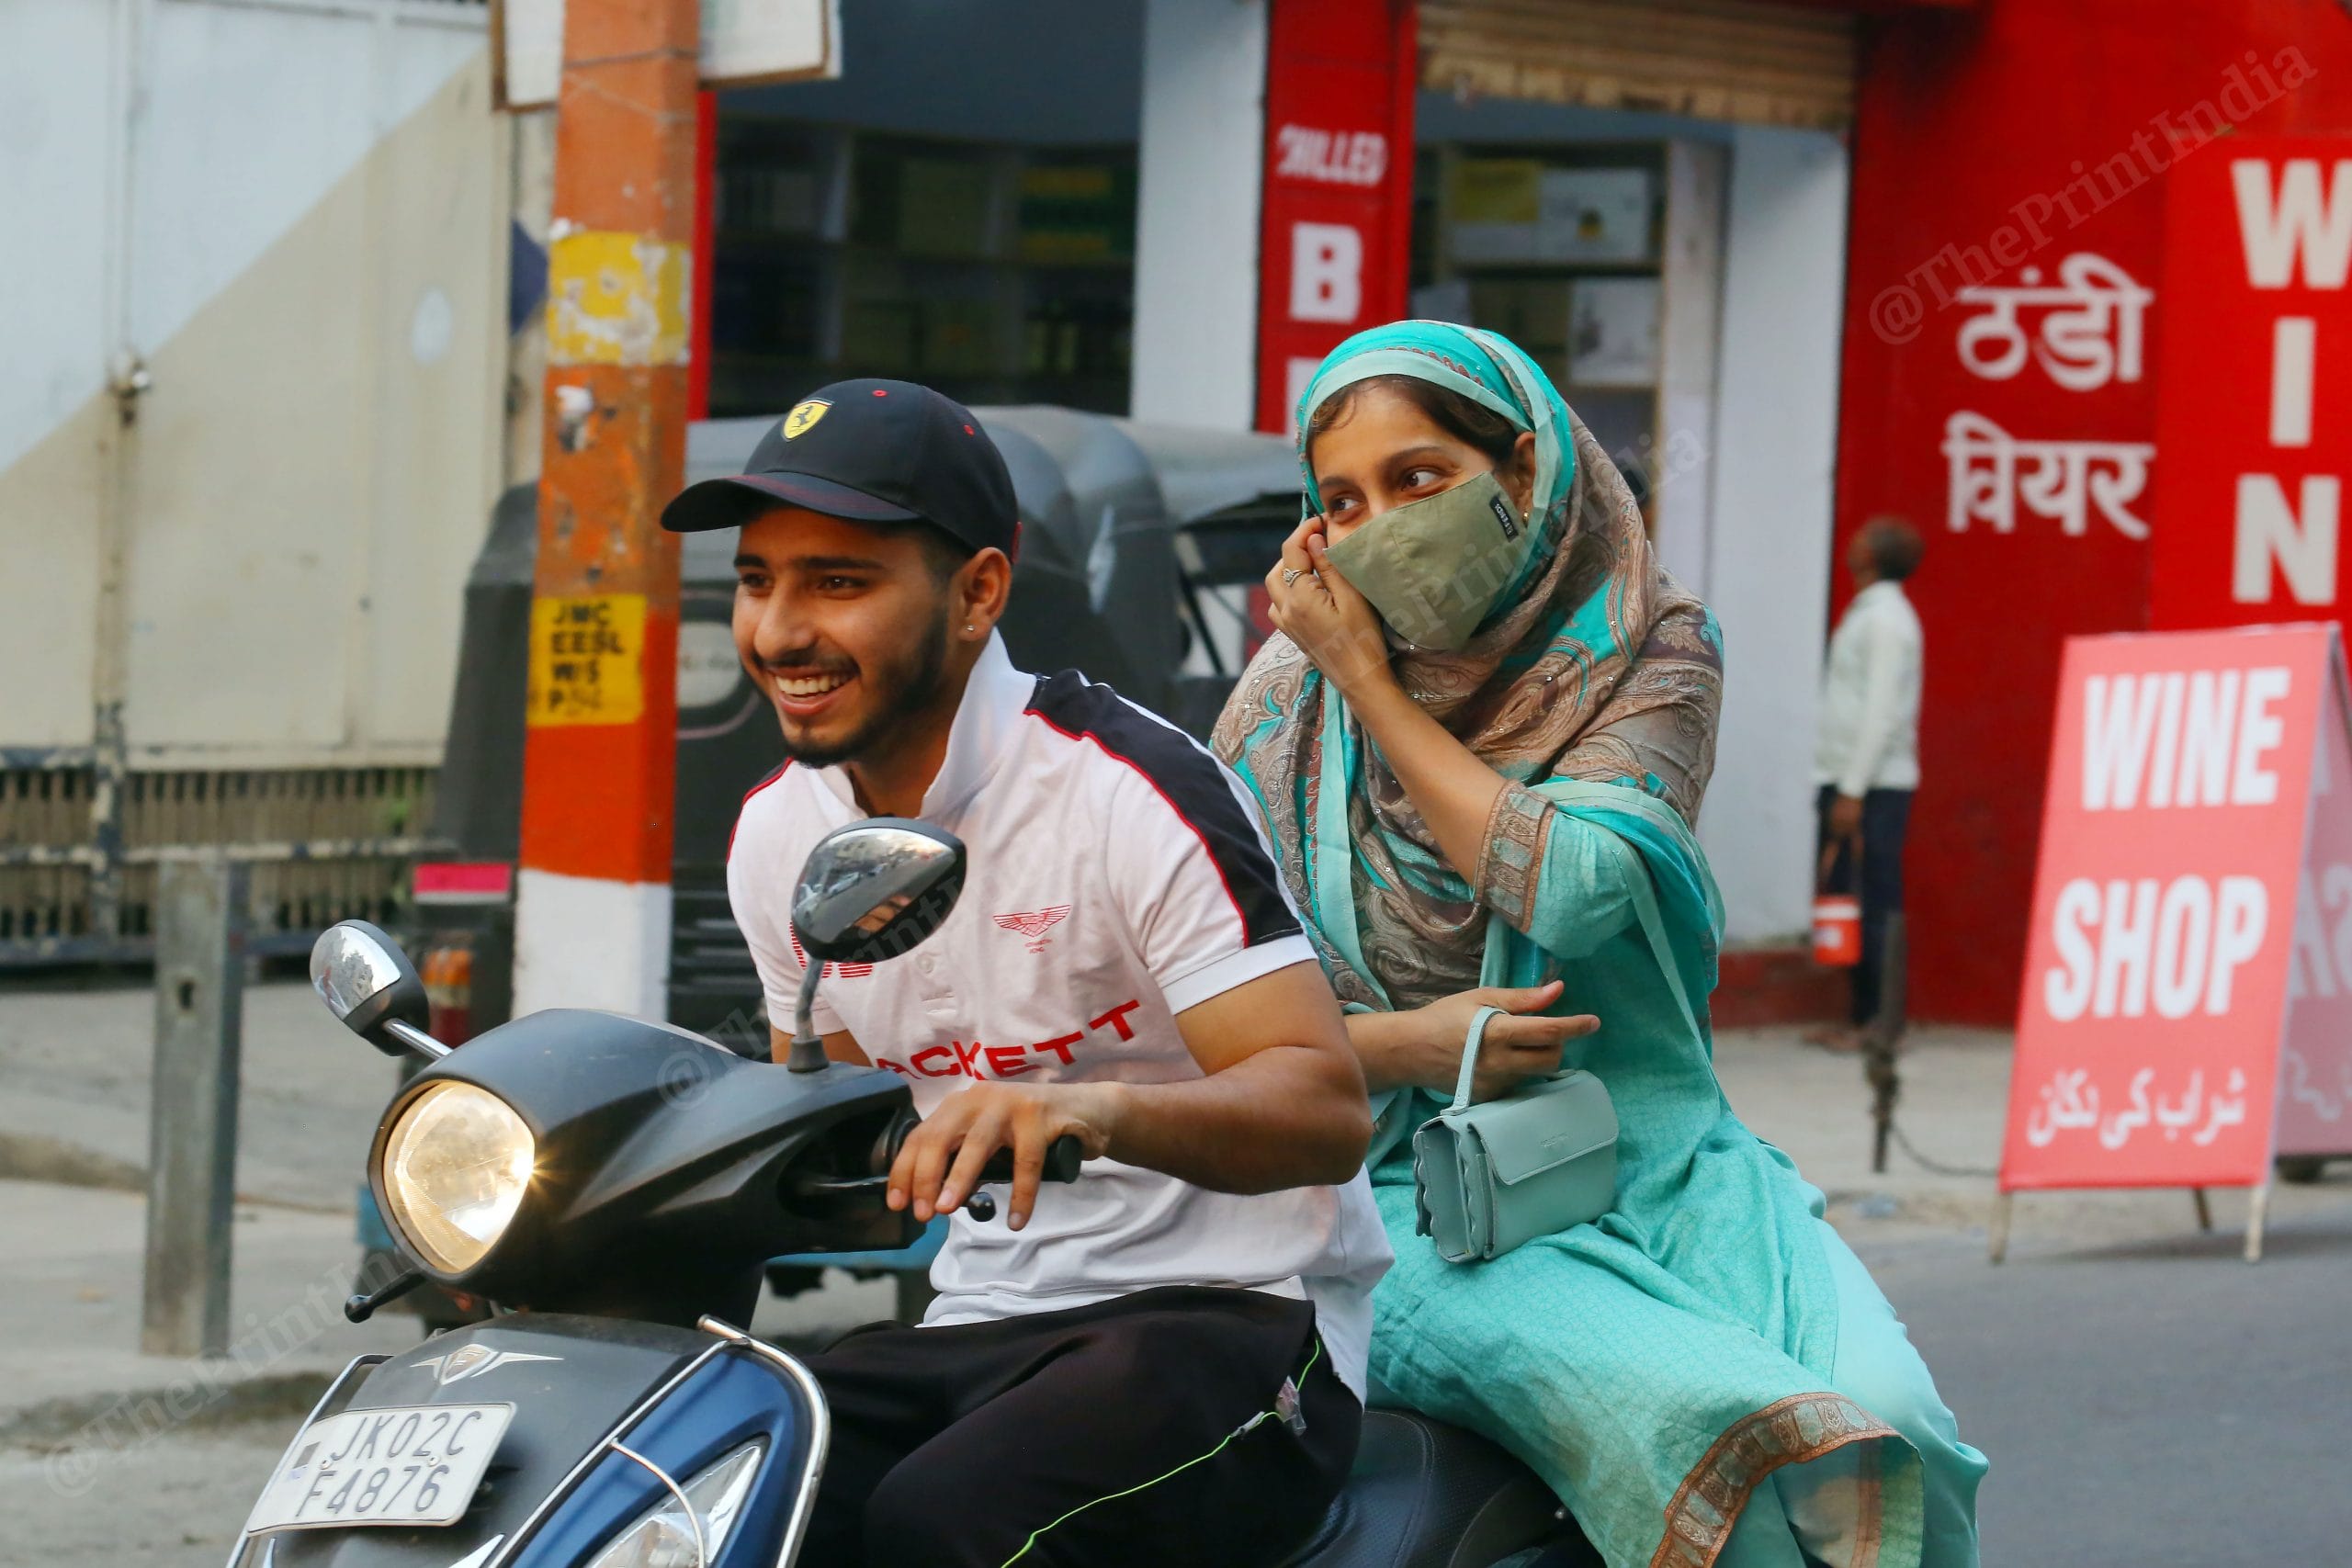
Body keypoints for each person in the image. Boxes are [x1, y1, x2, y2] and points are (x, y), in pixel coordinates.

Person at [1212, 323, 1984, 1568]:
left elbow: (1572, 887)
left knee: (1882, 1425)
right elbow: (1217, 1023)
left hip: (1662, 1158)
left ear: (1522, 469)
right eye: (1341, 501)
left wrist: (1375, 688)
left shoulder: (1652, 648)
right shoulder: (1280, 713)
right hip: (1406, 1201)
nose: (1379, 527)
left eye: (1418, 479)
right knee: (1729, 1426)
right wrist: (1411, 1041)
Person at [662, 378, 1391, 1568]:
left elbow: (1323, 1107)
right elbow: (857, 1122)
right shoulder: (776, 839)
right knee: (715, 1483)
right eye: (758, 579)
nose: (780, 629)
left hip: (1235, 1317)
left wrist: (1088, 1109)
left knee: (944, 1520)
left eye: (838, 581)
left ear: (978, 591)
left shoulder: (1130, 790)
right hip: (986, 1313)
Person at [1811, 516, 1927, 1052]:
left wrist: (1853, 789)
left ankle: (1879, 1022)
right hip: (1856, 780)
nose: (1852, 541)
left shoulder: (1887, 621)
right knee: (1851, 902)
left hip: (1873, 786)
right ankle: (1861, 1017)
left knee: (1873, 902)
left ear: (1875, 555)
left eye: (1864, 537)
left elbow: (1881, 713)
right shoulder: (1874, 614)